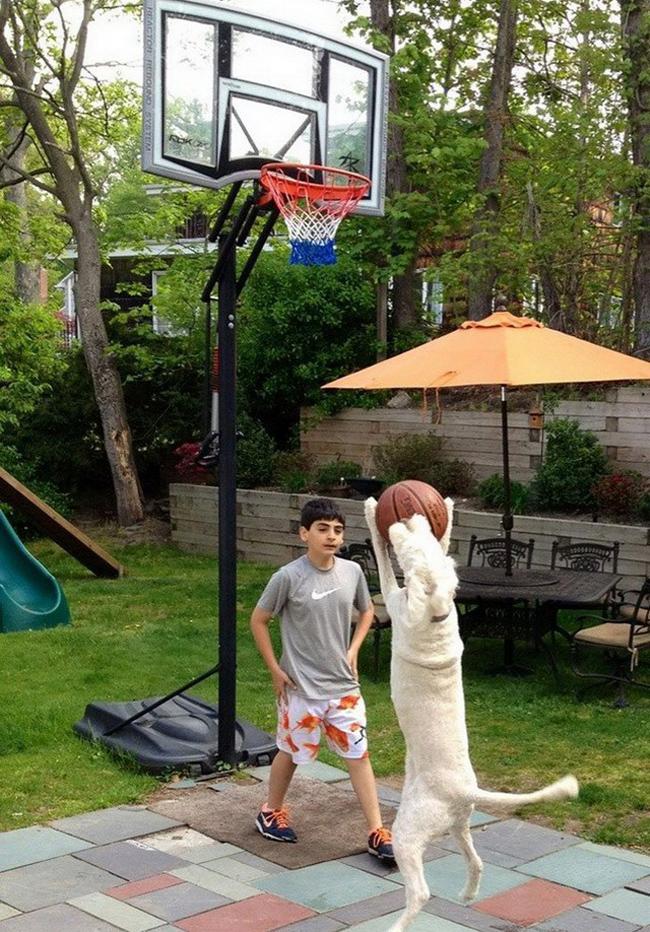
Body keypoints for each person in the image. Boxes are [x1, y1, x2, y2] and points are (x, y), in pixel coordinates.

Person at [250, 497, 395, 862]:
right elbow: (258, 620)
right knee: (291, 752)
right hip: (300, 688)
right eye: (323, 529)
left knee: (358, 755)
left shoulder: (352, 572)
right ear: (305, 534)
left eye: (338, 530)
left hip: (344, 688)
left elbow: (367, 612)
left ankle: (377, 831)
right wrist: (275, 669)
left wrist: (354, 650)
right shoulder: (287, 577)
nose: (332, 536)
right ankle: (270, 811)